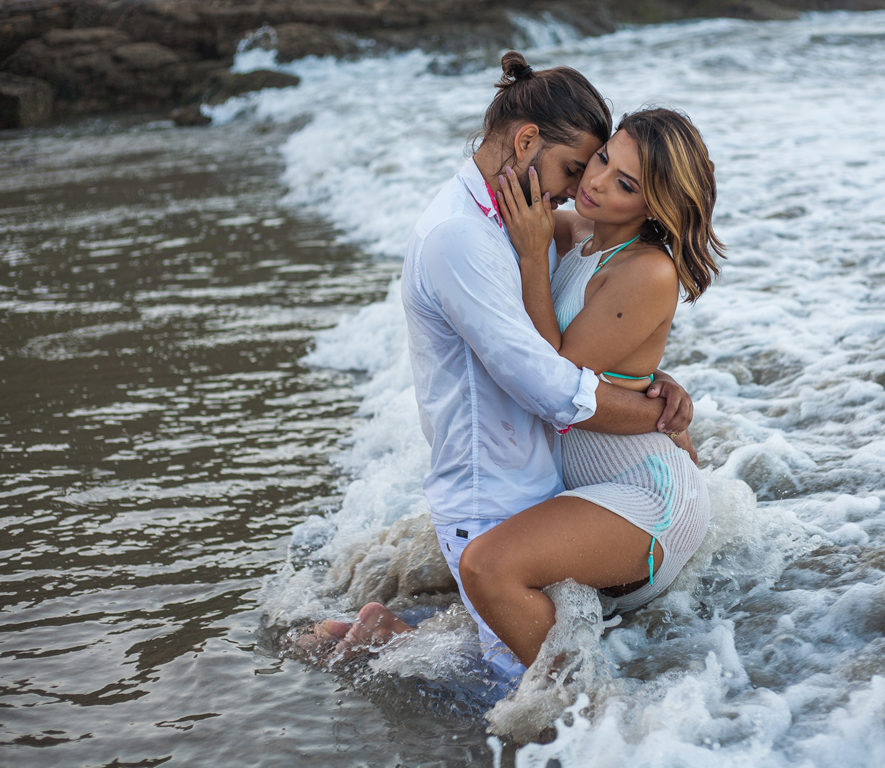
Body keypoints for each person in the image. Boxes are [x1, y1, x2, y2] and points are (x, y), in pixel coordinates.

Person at [307, 52, 696, 681]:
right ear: (525, 141)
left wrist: (654, 386)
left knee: (536, 685)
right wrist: (652, 409)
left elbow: (593, 349)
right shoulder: (480, 234)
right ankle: (387, 640)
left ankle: (386, 641)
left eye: (618, 178)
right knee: (534, 691)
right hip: (500, 487)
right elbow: (551, 382)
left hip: (589, 487)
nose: (586, 185)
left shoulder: (527, 225)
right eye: (585, 165)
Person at [458, 106, 724, 668]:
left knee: (487, 567)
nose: (596, 182)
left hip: (649, 499)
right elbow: (492, 205)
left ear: (655, 206)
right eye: (602, 158)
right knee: (463, 580)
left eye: (625, 184)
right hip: (586, 486)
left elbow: (553, 377)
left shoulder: (649, 270)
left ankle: (582, 712)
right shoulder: (578, 231)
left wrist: (535, 257)